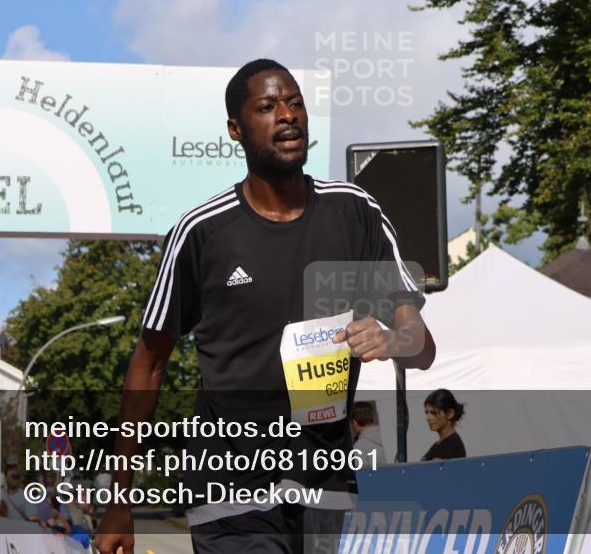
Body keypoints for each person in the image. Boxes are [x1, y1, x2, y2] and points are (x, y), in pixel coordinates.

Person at [95, 59, 436, 554]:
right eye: (267, 106)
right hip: (229, 494)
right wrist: (119, 499)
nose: (287, 115)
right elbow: (148, 365)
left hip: (325, 491)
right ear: (236, 129)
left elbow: (421, 345)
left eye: (295, 103)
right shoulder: (203, 233)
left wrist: (391, 338)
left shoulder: (355, 212)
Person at [421, 389, 466, 461]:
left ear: (450, 413)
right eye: (427, 413)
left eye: (434, 413)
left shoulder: (452, 445)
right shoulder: (438, 445)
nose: (428, 418)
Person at [350, 401, 385, 469]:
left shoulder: (359, 447)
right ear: (373, 418)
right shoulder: (389, 436)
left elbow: (361, 476)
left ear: (354, 422)